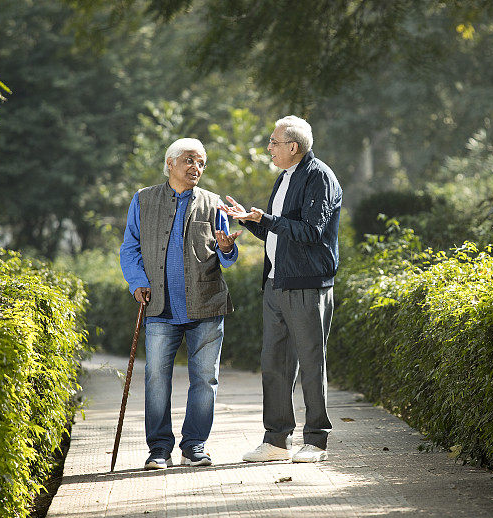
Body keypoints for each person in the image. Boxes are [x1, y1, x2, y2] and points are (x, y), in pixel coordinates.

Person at [219, 115, 342, 463]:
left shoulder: (319, 177)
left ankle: (316, 442)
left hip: (307, 286)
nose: (269, 147)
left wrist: (267, 220)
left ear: (293, 146)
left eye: (274, 142)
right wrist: (250, 219)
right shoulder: (284, 177)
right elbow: (278, 231)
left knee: (311, 364)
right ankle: (275, 441)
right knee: (274, 365)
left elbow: (311, 231)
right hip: (275, 284)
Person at [120, 138, 241, 470]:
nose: (196, 168)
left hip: (206, 306)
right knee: (157, 379)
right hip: (159, 307)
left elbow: (227, 260)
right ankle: (159, 449)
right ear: (170, 163)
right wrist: (137, 282)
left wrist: (227, 248)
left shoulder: (214, 204)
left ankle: (194, 446)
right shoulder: (143, 200)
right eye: (189, 160)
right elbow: (130, 247)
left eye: (201, 163)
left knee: (205, 379)